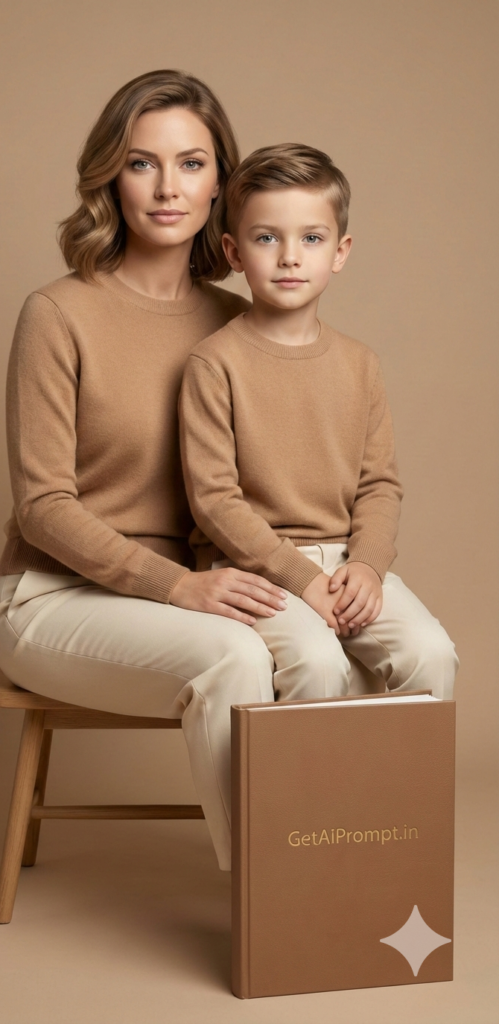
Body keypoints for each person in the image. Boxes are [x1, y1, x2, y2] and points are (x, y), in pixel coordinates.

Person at [0, 71, 289, 872]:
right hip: (52, 598)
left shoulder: (240, 323)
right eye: (140, 163)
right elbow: (43, 506)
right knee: (235, 657)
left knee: (323, 648)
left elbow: (271, 486)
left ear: (220, 182)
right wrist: (178, 586)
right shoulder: (58, 313)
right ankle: (272, 902)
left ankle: (333, 867)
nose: (167, 188)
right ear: (109, 178)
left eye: (191, 163)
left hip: (195, 595)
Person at [179, 143, 458, 701]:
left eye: (311, 238)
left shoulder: (360, 364)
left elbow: (379, 485)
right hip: (254, 568)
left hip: (348, 563)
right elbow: (214, 501)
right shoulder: (213, 363)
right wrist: (303, 579)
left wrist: (370, 566)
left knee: (432, 653)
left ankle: (392, 769)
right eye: (267, 238)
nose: (290, 257)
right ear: (234, 252)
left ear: (339, 251)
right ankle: (299, 768)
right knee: (316, 662)